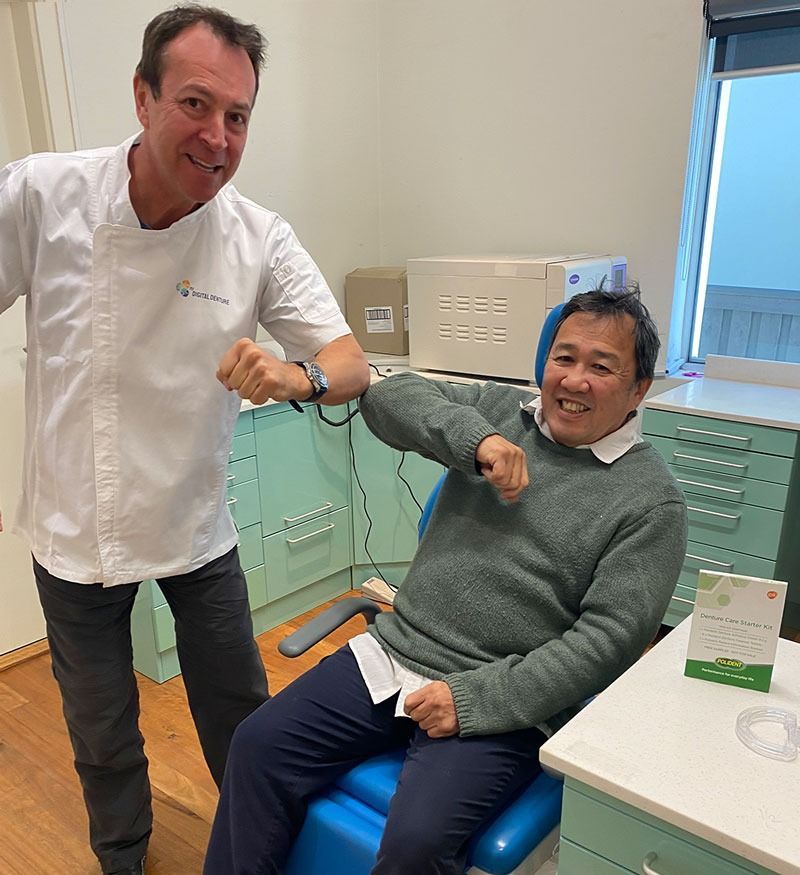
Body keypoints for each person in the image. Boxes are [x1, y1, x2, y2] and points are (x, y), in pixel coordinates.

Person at [0, 5, 368, 874]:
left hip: (197, 524)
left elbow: (349, 361)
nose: (217, 135)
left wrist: (295, 378)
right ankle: (123, 855)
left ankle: (260, 847)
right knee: (101, 728)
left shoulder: (255, 235)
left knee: (240, 707)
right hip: (74, 528)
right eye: (196, 104)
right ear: (142, 95)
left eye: (237, 116)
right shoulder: (42, 195)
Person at [203, 286, 688, 874]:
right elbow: (384, 396)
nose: (574, 380)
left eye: (601, 366)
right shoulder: (503, 413)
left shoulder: (649, 503)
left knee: (417, 844)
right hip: (396, 653)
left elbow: (609, 641)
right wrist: (475, 440)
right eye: (564, 358)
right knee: (256, 748)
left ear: (639, 389)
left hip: (500, 698)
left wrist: (474, 698)